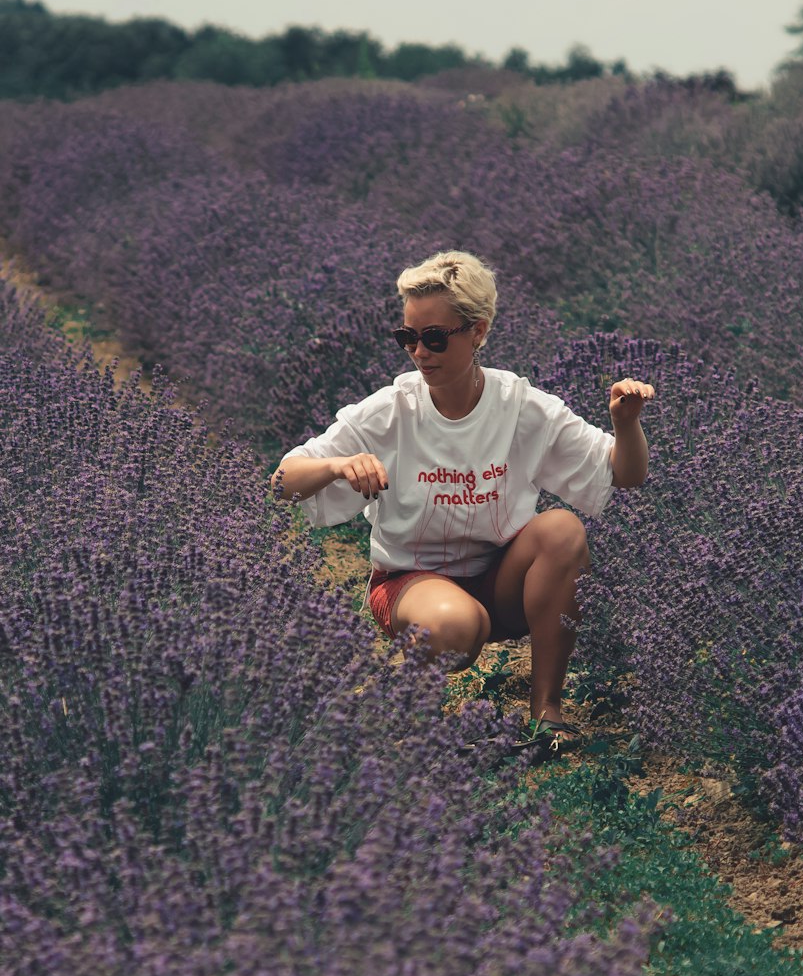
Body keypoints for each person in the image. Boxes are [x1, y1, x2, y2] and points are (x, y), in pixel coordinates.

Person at [271, 250, 654, 751]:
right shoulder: (391, 410)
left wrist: (626, 426)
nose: (419, 353)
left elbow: (624, 474)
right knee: (455, 624)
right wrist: (336, 466)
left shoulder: (519, 406)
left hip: (500, 582)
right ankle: (400, 713)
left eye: (434, 338)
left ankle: (547, 714)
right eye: (408, 337)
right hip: (410, 585)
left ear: (478, 330)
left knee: (562, 530)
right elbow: (283, 480)